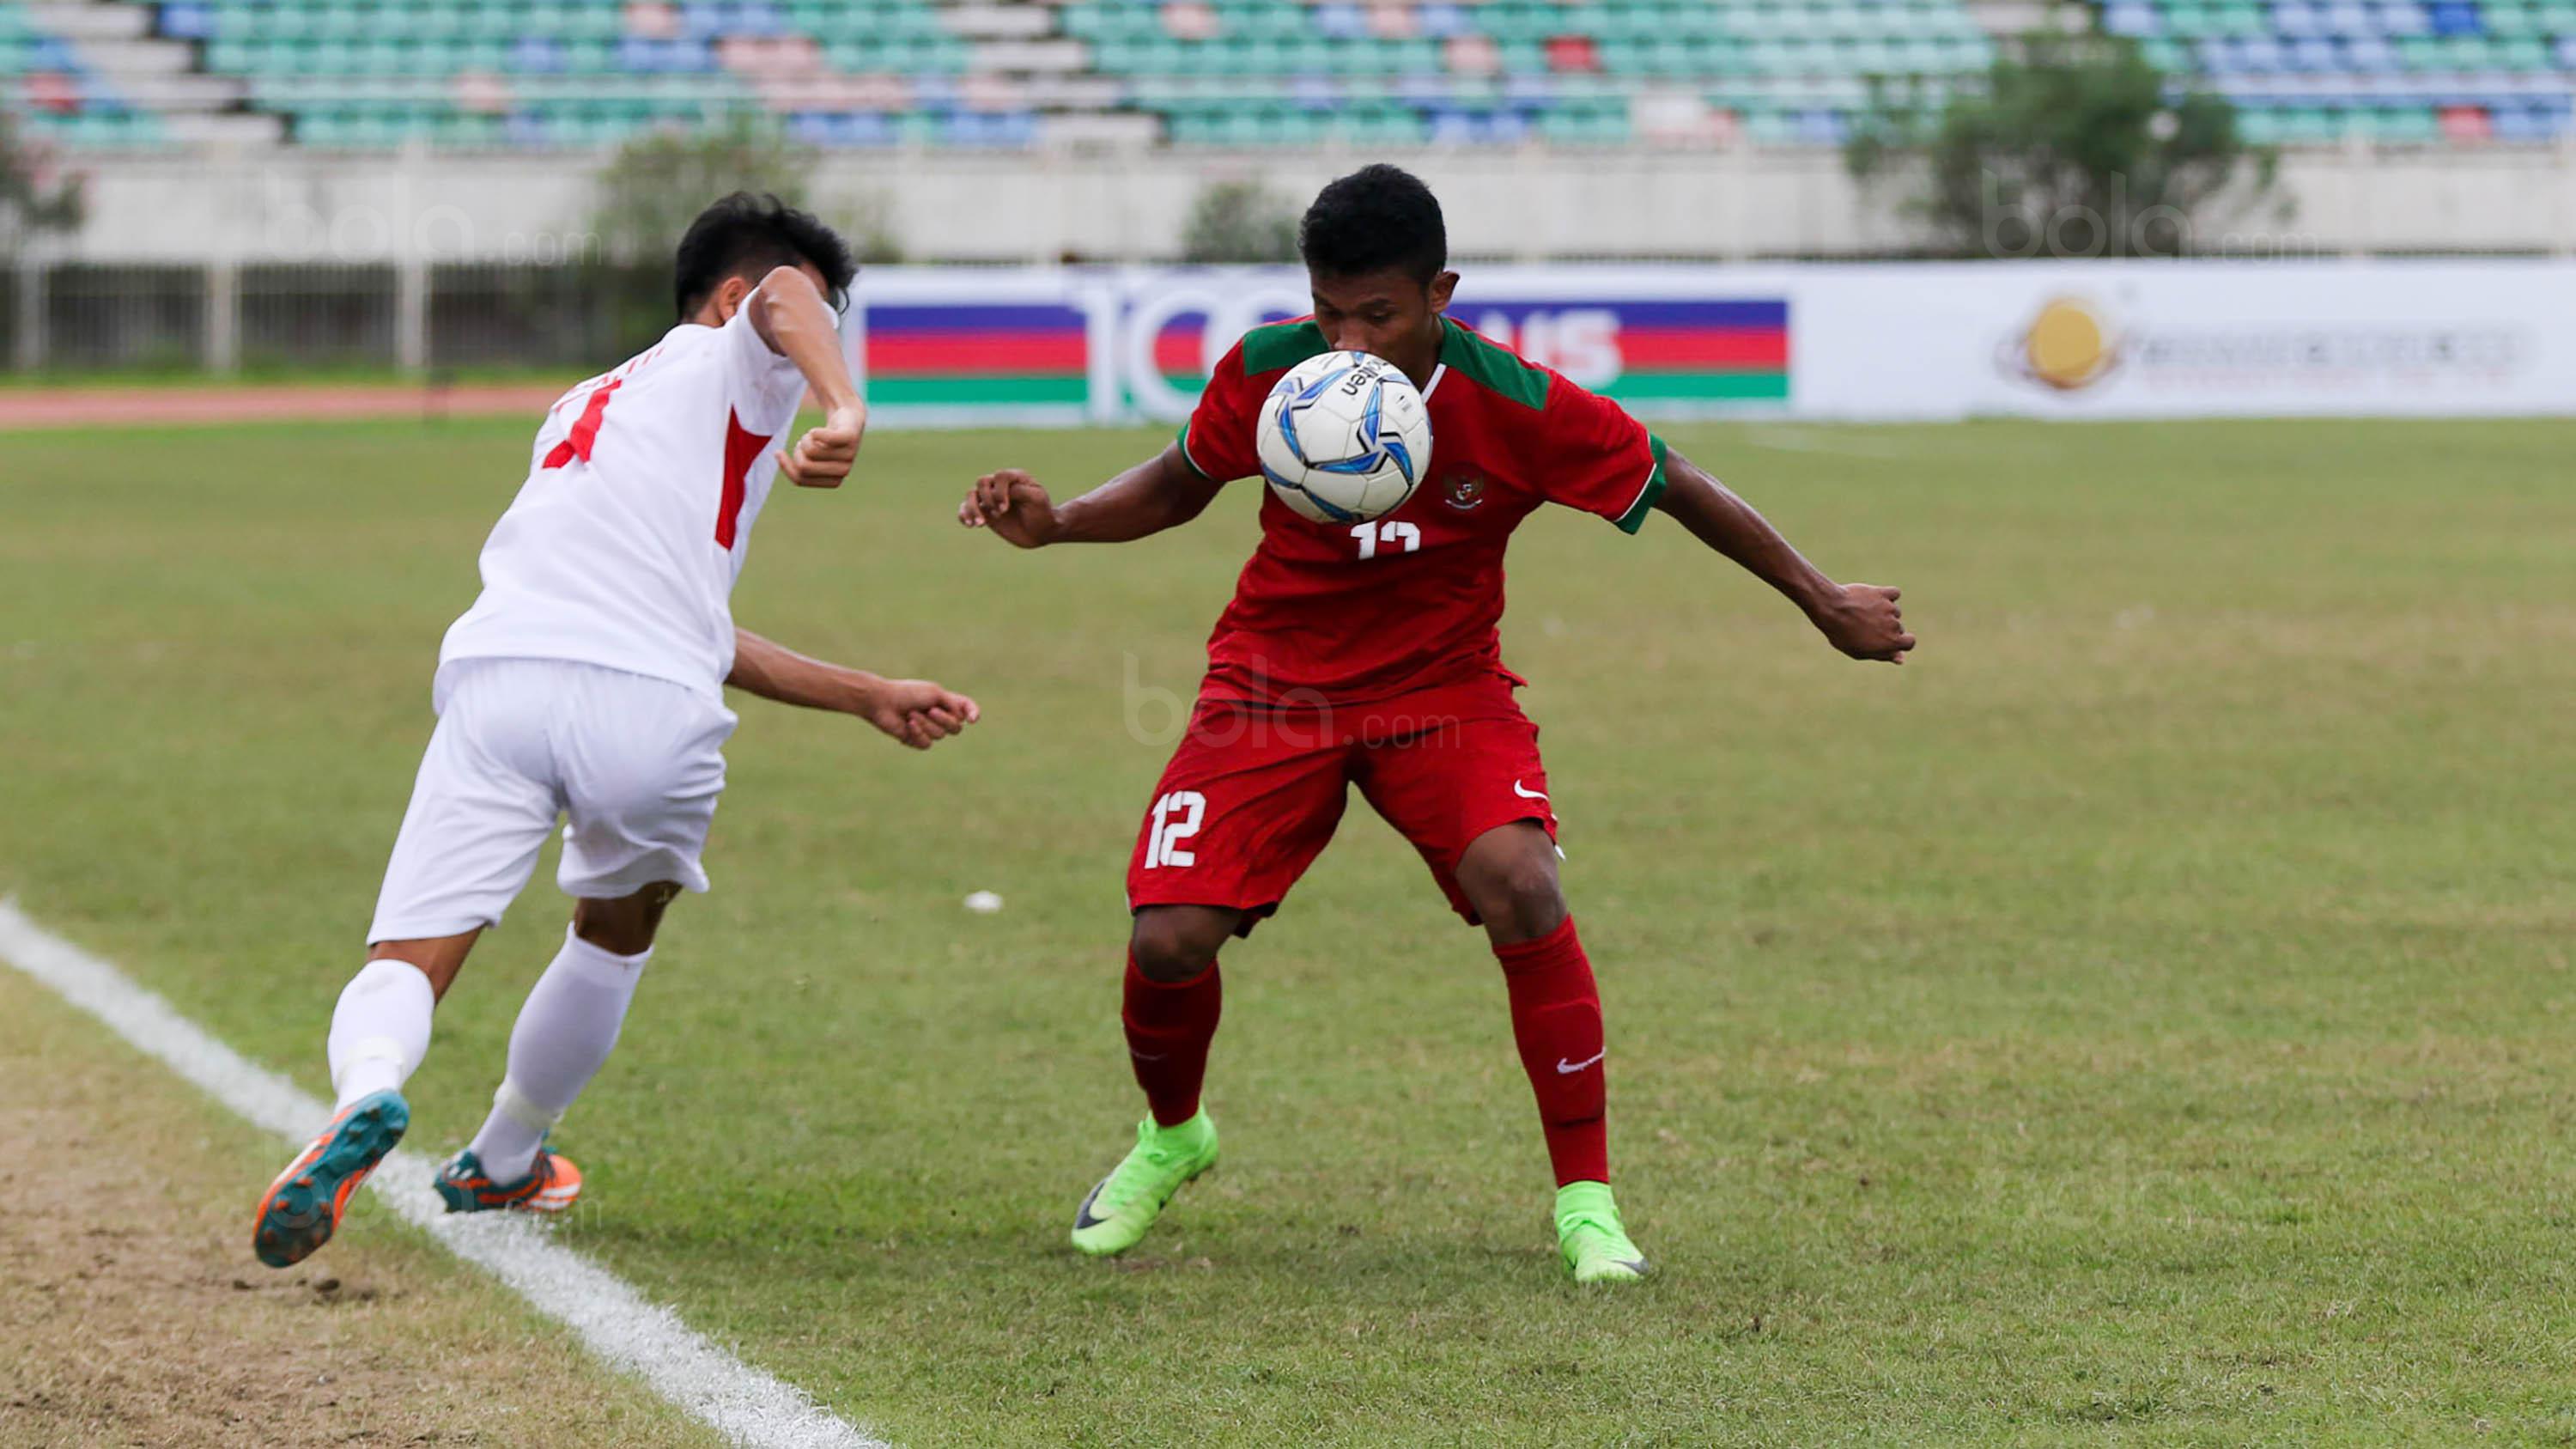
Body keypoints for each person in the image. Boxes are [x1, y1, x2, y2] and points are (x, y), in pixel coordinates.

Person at [957, 164, 1911, 1283]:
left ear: (1440, 292)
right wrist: (1058, 521)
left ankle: (1588, 1204)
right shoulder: (1273, 373)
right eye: (1330, 312)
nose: (1350, 342)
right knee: (1167, 938)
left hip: (1442, 692)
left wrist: (1823, 597)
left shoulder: (1518, 402)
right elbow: (1178, 482)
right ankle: (1174, 1135)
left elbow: (1678, 480)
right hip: (1273, 683)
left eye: (1380, 314)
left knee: (1523, 880)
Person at [253, 192, 979, 1269]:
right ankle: (504, 1156)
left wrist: (864, 690)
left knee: (409, 952)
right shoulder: (741, 347)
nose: (808, 336)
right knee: (614, 929)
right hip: (648, 709)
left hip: (501, 678)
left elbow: (680, 617)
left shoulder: (583, 402)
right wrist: (844, 404)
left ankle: (366, 1095)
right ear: (729, 301)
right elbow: (785, 295)